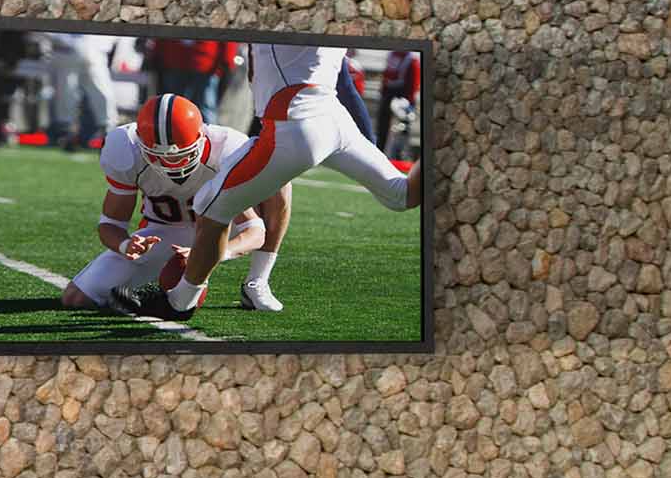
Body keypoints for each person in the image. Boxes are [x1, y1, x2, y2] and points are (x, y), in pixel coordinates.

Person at [156, 41, 417, 319]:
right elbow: (342, 77)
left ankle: (180, 301)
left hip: (295, 119)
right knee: (402, 194)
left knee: (211, 204)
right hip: (333, 115)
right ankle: (256, 285)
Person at [61, 95, 295, 316]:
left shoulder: (227, 148)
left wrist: (210, 254)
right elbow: (110, 224)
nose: (170, 163)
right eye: (157, 156)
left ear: (201, 139)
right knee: (76, 298)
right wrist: (126, 245)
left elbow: (254, 231)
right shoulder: (125, 147)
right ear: (141, 144)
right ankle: (157, 291)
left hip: (220, 229)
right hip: (164, 232)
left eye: (180, 156)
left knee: (281, 179)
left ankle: (257, 281)